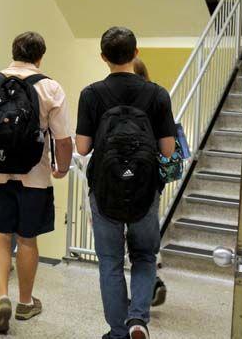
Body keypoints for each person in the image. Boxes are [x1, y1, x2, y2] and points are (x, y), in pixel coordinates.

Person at [0, 31, 73, 334]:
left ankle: (1, 297)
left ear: (13, 52)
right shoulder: (50, 88)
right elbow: (63, 139)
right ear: (40, 56)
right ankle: (25, 302)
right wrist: (61, 168)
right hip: (35, 177)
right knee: (27, 239)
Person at [76, 27, 175, 339]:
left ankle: (118, 332)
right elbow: (168, 149)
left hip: (105, 189)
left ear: (104, 57)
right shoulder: (157, 94)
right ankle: (137, 321)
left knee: (110, 261)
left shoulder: (91, 94)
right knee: (144, 257)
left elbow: (82, 147)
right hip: (145, 191)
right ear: (136, 53)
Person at [133, 57, 168, 308]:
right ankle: (148, 286)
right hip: (148, 180)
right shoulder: (158, 97)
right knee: (145, 246)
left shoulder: (106, 97)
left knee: (114, 249)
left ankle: (131, 300)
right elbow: (167, 147)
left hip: (113, 182)